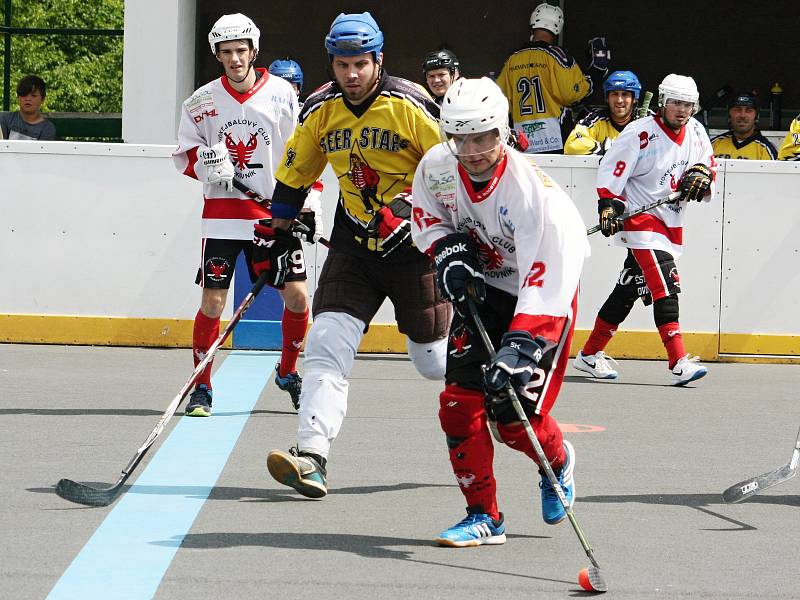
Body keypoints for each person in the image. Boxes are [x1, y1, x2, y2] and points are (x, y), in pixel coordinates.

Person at [260, 12, 450, 499]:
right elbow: (294, 175)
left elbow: (452, 172)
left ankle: (489, 387)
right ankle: (312, 456)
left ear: (378, 60)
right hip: (354, 248)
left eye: (360, 64)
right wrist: (277, 235)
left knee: (432, 362)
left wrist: (407, 212)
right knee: (325, 344)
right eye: (342, 64)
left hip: (415, 251)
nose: (351, 74)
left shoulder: (411, 104)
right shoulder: (321, 108)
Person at [410, 77, 589, 545]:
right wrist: (446, 251)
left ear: (502, 133)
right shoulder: (437, 167)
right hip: (484, 291)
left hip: (539, 304)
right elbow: (427, 218)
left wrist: (521, 344)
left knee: (513, 421)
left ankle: (557, 462)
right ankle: (484, 516)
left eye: (481, 138)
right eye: (459, 138)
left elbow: (547, 281)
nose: (470, 150)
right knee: (458, 406)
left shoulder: (536, 197)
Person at [173, 13, 318, 415]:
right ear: (217, 55)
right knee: (214, 303)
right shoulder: (200, 102)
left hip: (274, 217)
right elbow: (183, 155)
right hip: (222, 217)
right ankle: (201, 386)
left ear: (254, 50)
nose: (234, 59)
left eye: (241, 51)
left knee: (297, 296)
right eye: (226, 53)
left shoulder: (285, 95)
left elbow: (305, 153)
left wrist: (309, 204)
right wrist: (205, 162)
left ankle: (288, 371)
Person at [573, 74, 716, 386]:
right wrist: (608, 206)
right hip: (641, 222)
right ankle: (678, 361)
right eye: (676, 102)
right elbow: (611, 168)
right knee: (667, 282)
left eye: (688, 104)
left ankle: (589, 354)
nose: (682, 110)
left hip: (669, 220)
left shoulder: (695, 130)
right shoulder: (640, 133)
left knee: (627, 289)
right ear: (663, 102)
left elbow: (707, 163)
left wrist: (701, 174)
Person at [494, 3, 596, 154]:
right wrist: (593, 78)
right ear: (557, 30)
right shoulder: (558, 56)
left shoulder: (512, 59)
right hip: (555, 139)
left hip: (522, 142)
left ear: (532, 26)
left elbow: (498, 99)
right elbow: (572, 95)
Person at [564, 70, 643, 155]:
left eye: (625, 94)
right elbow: (571, 144)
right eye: (614, 94)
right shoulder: (596, 119)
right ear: (607, 98)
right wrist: (601, 148)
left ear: (634, 98)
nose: (619, 100)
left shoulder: (647, 119)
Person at [711, 92, 777, 160]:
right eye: (737, 110)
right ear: (729, 116)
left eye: (749, 110)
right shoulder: (714, 145)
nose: (742, 115)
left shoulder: (766, 150)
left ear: (756, 117)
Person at [0, 75, 56, 140]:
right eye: (24, 95)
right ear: (18, 98)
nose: (28, 99)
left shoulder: (47, 128)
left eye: (33, 96)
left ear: (42, 99)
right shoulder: (5, 119)